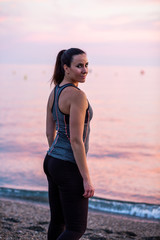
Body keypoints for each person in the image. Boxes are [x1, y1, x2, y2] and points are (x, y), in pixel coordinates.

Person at [43, 48, 94, 240]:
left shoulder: (55, 92)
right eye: (79, 66)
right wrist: (86, 178)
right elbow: (76, 140)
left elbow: (50, 132)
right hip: (67, 165)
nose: (84, 70)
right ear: (66, 68)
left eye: (86, 65)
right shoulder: (77, 95)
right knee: (76, 228)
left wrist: (55, 157)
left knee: (58, 221)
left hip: (52, 160)